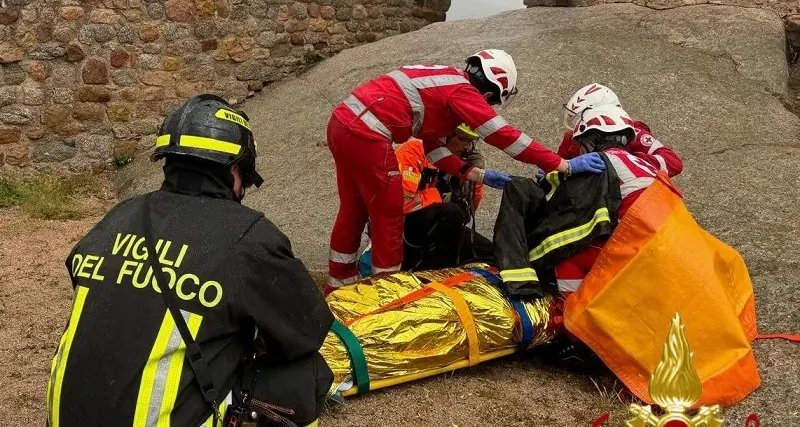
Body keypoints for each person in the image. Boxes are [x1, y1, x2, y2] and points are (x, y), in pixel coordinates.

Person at [45, 94, 334, 427]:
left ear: (169, 160)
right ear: (235, 168)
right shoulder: (248, 236)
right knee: (305, 375)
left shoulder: (120, 216)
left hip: (64, 419)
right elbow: (306, 331)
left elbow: (87, 276)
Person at [325, 49, 608, 293]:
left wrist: (480, 176)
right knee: (387, 215)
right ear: (487, 93)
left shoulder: (441, 84)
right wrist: (562, 165)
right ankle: (386, 293)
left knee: (353, 210)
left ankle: (338, 285)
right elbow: (503, 135)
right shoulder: (462, 90)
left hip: (343, 125)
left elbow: (434, 149)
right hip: (368, 134)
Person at [553, 104, 684, 296]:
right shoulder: (646, 162)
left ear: (592, 139)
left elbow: (566, 206)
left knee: (566, 255)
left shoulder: (597, 164)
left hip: (641, 246)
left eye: (581, 143)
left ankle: (570, 316)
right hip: (675, 236)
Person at [396, 124, 494, 272]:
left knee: (492, 253)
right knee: (451, 212)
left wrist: (472, 175)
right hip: (406, 227)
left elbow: (467, 212)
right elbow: (402, 202)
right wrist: (437, 198)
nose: (467, 146)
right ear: (443, 136)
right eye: (462, 139)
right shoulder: (413, 151)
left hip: (445, 224)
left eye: (471, 141)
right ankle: (432, 274)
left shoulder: (464, 159)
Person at [558, 83, 683, 177]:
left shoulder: (634, 133)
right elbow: (558, 163)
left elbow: (673, 163)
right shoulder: (571, 137)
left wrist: (628, 161)